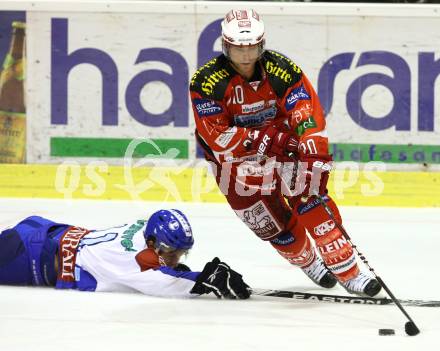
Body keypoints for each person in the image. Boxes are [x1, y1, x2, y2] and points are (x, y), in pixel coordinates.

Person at [190, 9, 381, 297]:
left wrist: (313, 149)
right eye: (238, 48)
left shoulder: (282, 69)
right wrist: (263, 138)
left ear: (262, 44)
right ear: (225, 45)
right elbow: (216, 136)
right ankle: (309, 262)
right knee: (270, 225)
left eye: (252, 47)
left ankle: (349, 272)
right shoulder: (206, 82)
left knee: (311, 201)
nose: (246, 56)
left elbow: (306, 111)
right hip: (233, 164)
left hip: (284, 149)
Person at [0, 209, 251, 299]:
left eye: (181, 253)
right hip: (24, 258)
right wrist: (203, 279)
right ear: (152, 242)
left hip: (42, 229)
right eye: (171, 252)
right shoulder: (133, 260)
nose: (175, 259)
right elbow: (164, 284)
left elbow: (159, 267)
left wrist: (172, 266)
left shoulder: (143, 229)